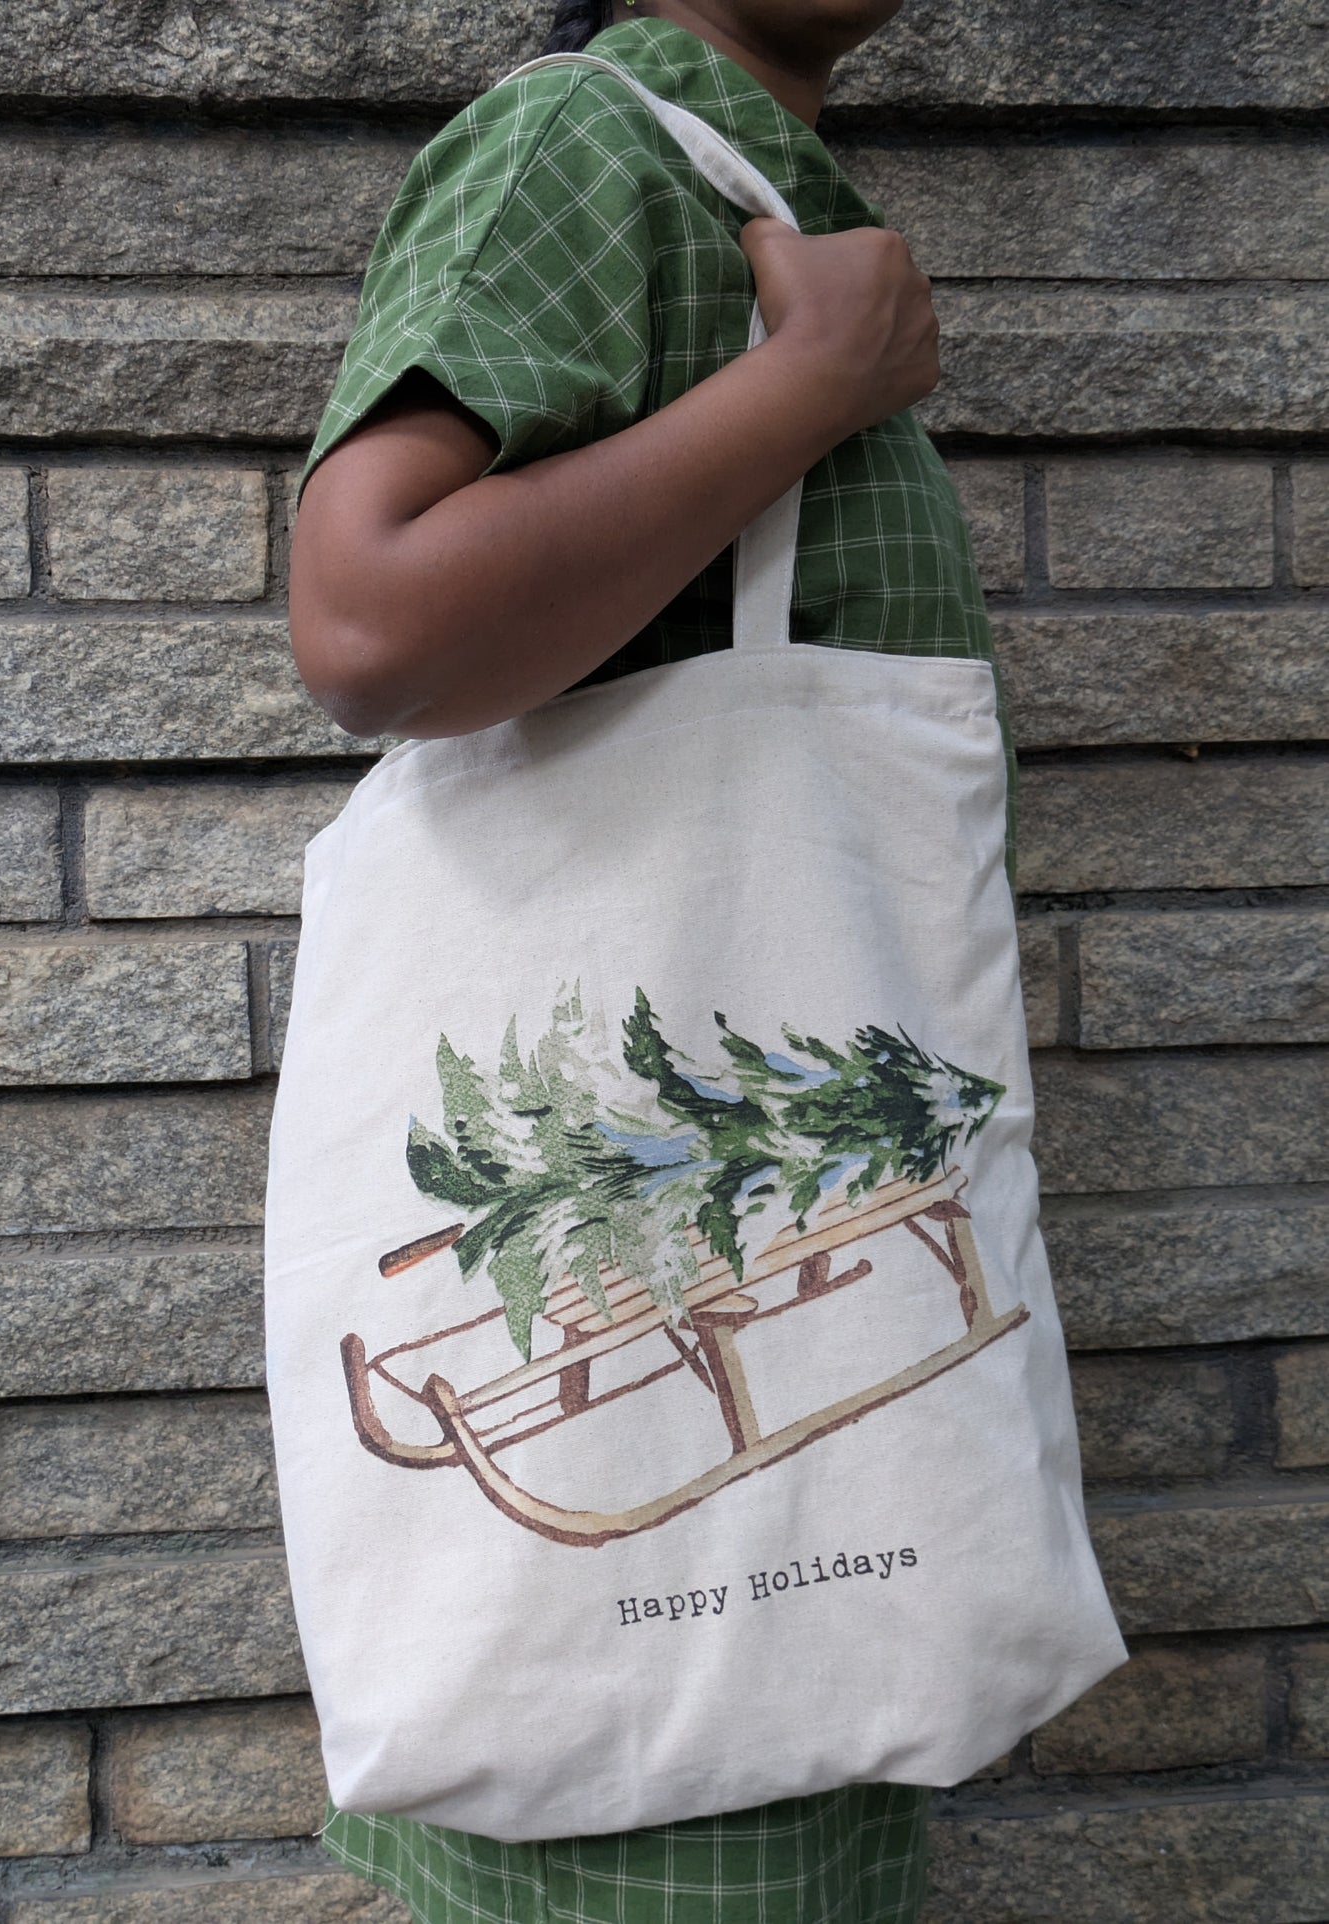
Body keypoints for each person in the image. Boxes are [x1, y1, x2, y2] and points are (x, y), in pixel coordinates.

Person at [288, 0, 1006, 1915]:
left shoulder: (748, 179)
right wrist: (808, 385)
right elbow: (368, 620)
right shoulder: (589, 146)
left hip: (738, 1488)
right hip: (669, 1631)